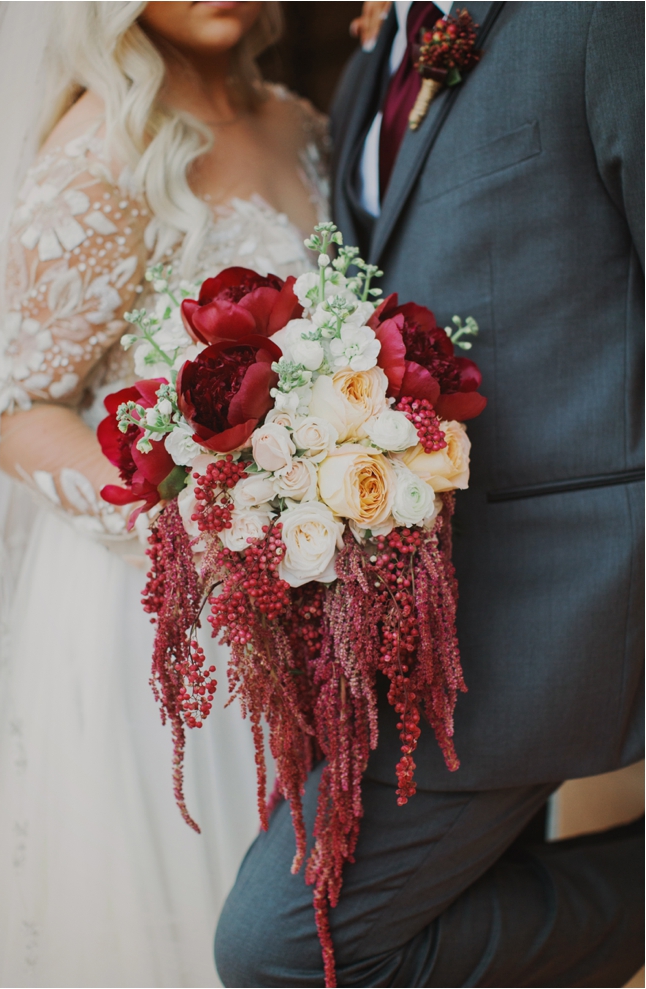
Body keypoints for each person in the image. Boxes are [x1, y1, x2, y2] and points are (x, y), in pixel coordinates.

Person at [214, 2, 644, 986]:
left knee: (284, 945)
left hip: (560, 595)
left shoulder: (599, 17)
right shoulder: (373, 63)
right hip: (406, 606)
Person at [0, 3, 329, 986]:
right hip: (162, 616)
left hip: (305, 598)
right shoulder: (104, 148)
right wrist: (197, 525)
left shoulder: (301, 125)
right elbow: (20, 409)